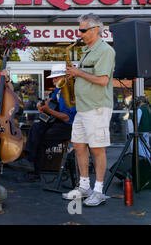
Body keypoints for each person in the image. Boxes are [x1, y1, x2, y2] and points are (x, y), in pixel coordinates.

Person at [63, 13, 116, 207]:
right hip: (83, 107)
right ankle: (84, 186)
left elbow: (103, 80)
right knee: (78, 145)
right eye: (80, 29)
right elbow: (88, 76)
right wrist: (73, 76)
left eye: (83, 30)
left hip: (97, 107)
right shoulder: (87, 50)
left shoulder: (105, 51)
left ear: (95, 30)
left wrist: (78, 72)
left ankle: (99, 191)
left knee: (97, 149)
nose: (80, 33)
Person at [13, 63, 77, 182]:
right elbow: (51, 98)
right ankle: (29, 162)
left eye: (56, 78)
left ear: (65, 77)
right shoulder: (59, 88)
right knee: (35, 127)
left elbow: (67, 118)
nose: (53, 81)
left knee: (40, 140)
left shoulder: (72, 93)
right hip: (56, 121)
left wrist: (49, 110)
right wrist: (42, 104)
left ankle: (33, 170)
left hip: (69, 126)